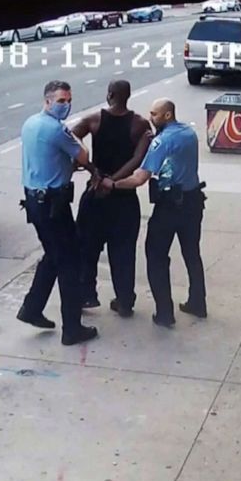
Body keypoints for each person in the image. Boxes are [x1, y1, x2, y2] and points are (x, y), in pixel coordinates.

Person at [100, 98, 206, 328]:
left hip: (169, 207)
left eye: (154, 114)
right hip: (193, 202)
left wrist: (113, 184)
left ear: (167, 115)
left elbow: (140, 177)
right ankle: (198, 302)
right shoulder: (188, 133)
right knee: (192, 253)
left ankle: (164, 312)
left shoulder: (163, 141)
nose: (151, 118)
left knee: (156, 257)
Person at [17, 80, 101, 346]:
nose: (66, 105)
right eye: (61, 101)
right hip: (53, 206)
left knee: (54, 255)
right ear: (47, 101)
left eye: (68, 100)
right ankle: (72, 328)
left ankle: (32, 308)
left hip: (36, 202)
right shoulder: (56, 130)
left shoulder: (30, 123)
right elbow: (84, 156)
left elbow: (50, 158)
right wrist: (73, 138)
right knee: (69, 263)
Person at [71, 80, 153, 318]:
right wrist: (114, 181)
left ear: (109, 95)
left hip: (95, 194)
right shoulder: (139, 124)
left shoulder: (93, 120)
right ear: (128, 96)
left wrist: (94, 171)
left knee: (87, 247)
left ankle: (87, 294)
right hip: (124, 197)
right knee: (123, 252)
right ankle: (125, 300)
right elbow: (138, 159)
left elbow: (71, 140)